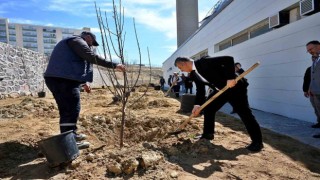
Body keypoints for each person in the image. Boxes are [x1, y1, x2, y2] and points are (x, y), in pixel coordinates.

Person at [44, 31, 125, 148]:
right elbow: (90, 57)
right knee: (70, 109)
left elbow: (72, 65)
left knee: (69, 109)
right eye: (92, 43)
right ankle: (70, 142)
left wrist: (83, 83)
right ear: (88, 37)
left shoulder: (73, 44)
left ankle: (71, 135)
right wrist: (114, 65)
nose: (91, 46)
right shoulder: (77, 41)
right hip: (62, 80)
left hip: (63, 79)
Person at [174, 56, 263, 152]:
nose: (181, 70)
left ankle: (257, 142)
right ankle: (208, 134)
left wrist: (230, 78)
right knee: (208, 109)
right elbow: (200, 89)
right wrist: (197, 105)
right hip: (221, 90)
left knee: (244, 113)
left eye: (180, 68)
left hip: (235, 88)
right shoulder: (193, 74)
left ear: (183, 63)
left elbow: (228, 59)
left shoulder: (204, 61)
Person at [305, 40, 320, 138]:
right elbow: (313, 76)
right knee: (318, 110)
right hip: (315, 91)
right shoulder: (314, 59)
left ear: (318, 46)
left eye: (311, 49)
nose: (309, 51)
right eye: (308, 50)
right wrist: (310, 88)